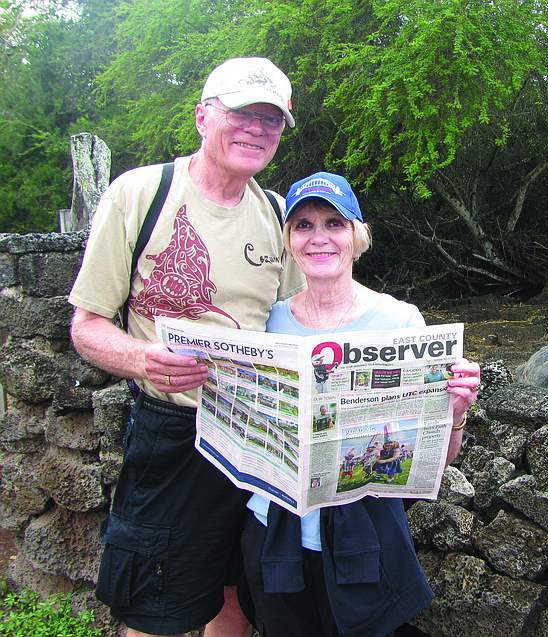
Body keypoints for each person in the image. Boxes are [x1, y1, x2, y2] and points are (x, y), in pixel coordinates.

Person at [68, 57, 305, 637]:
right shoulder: (140, 194)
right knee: (159, 609)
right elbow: (86, 325)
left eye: (272, 120)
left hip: (259, 434)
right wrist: (142, 359)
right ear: (202, 116)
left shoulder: (277, 214)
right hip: (175, 434)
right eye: (242, 112)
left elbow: (300, 324)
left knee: (237, 598)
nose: (256, 128)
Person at [239, 171, 481, 637]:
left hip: (364, 536)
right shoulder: (268, 323)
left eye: (334, 223)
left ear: (356, 234)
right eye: (304, 225)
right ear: (289, 239)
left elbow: (438, 460)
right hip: (274, 532)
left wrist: (456, 412)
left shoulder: (401, 319)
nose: (319, 238)